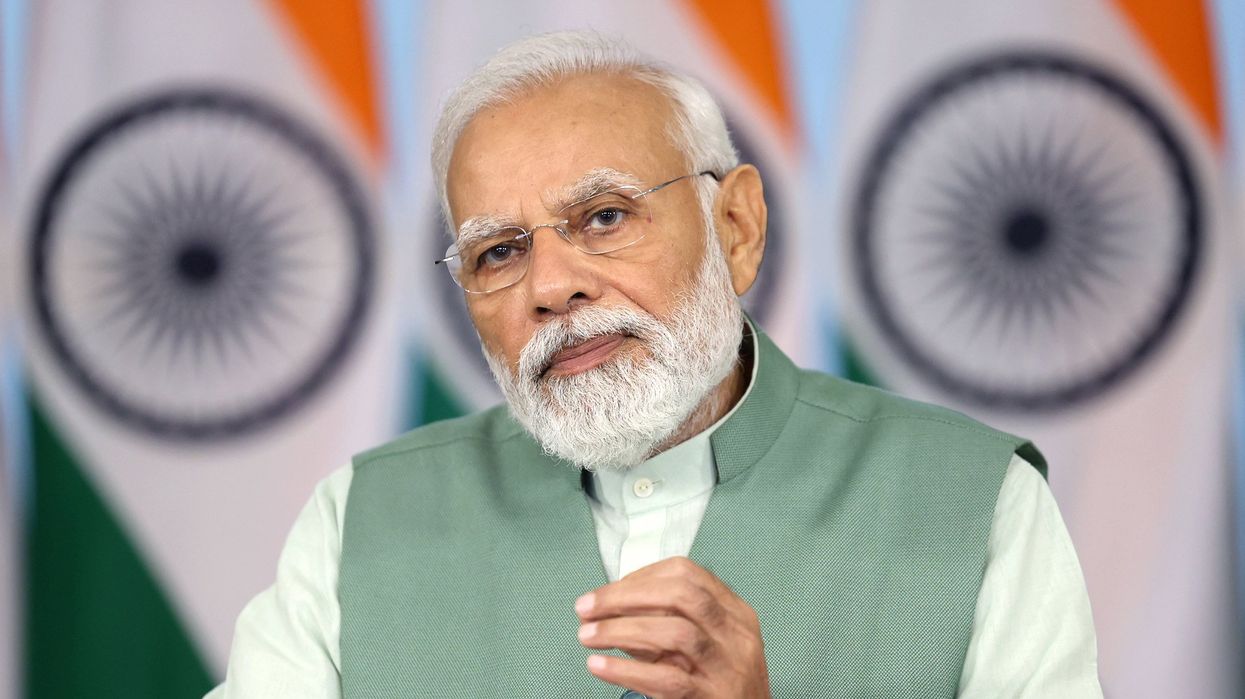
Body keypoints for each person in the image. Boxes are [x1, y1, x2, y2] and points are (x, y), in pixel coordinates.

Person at [209, 31, 1101, 698]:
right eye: (498, 253)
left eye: (603, 216)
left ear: (737, 228)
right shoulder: (361, 519)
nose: (552, 288)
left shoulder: (974, 500)